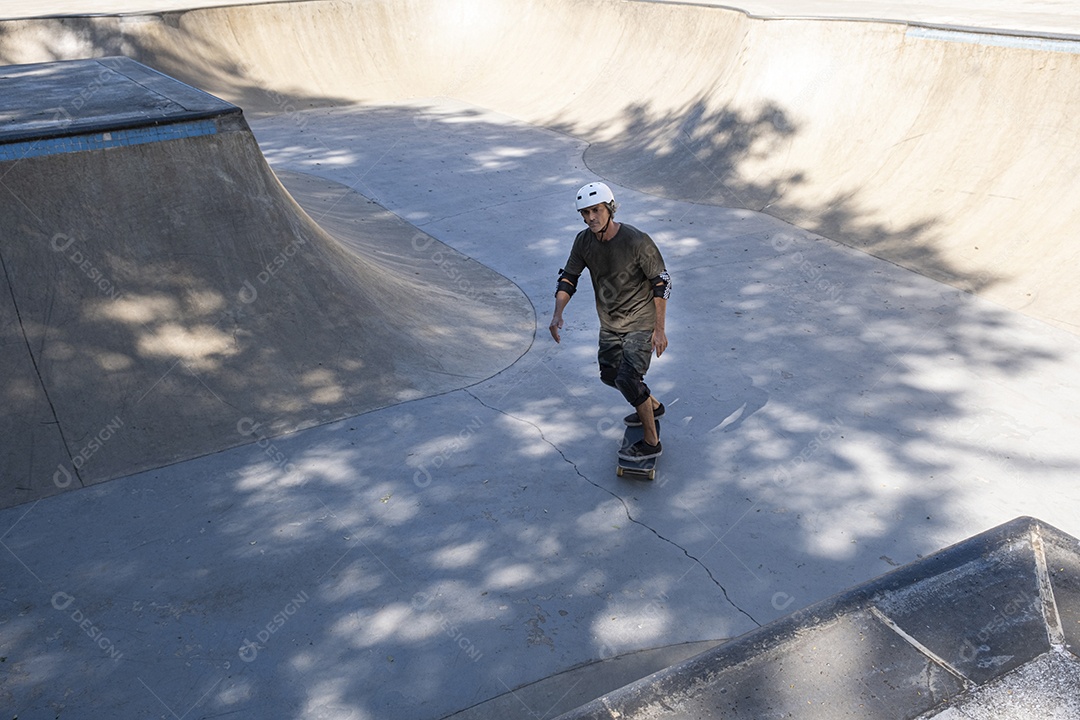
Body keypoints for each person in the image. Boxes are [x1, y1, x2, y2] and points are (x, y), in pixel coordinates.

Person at [549, 182, 670, 460]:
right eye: (585, 212)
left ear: (610, 209)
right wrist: (558, 313)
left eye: (596, 210)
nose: (591, 217)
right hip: (610, 323)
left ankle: (652, 443)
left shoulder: (636, 241)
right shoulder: (583, 241)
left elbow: (662, 283)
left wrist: (659, 330)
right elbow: (569, 277)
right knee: (610, 376)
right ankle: (652, 405)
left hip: (641, 321)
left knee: (628, 379)